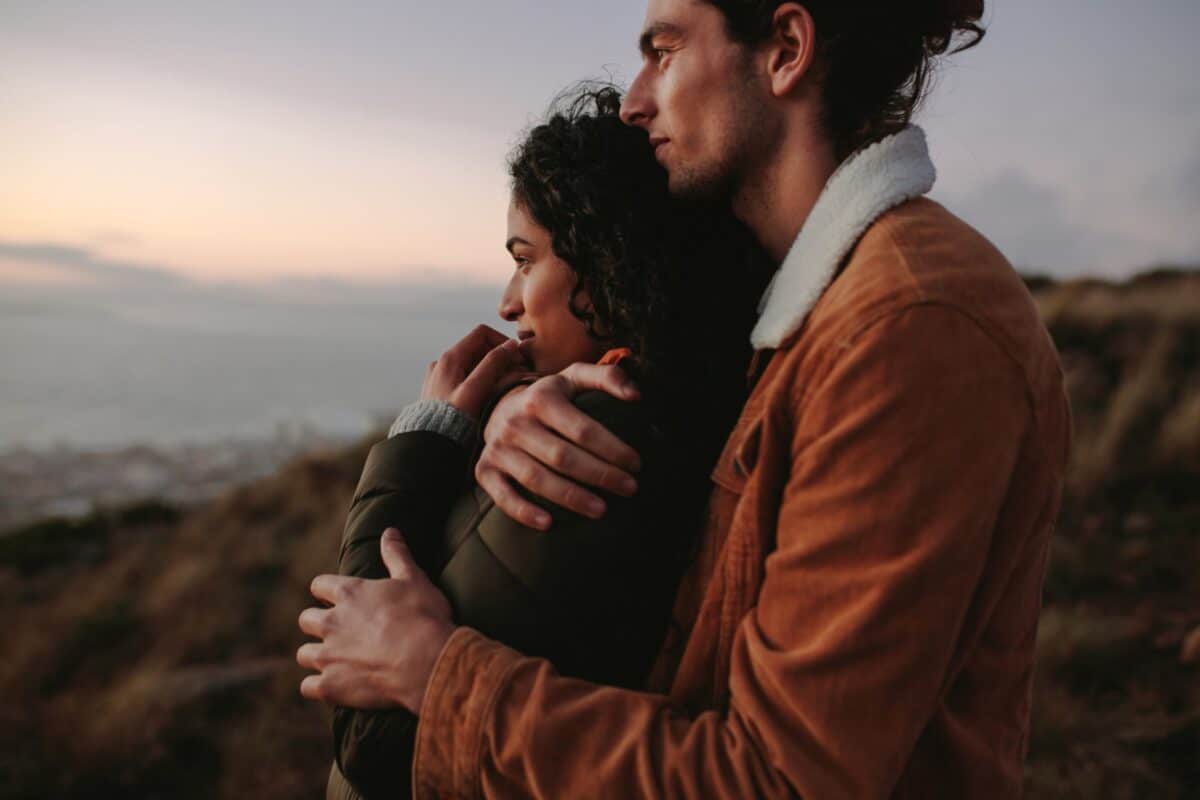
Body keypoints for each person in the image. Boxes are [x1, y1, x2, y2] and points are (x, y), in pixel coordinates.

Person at [299, 1, 1072, 797]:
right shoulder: (808, 308)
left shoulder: (908, 329)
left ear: (786, 49)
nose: (635, 102)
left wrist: (440, 680)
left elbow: (778, 782)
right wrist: (522, 401)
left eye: (664, 52)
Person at [317, 86, 772, 799]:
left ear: (609, 262)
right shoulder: (671, 402)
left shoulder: (591, 442)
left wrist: (425, 435)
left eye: (526, 260)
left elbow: (370, 744)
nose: (507, 302)